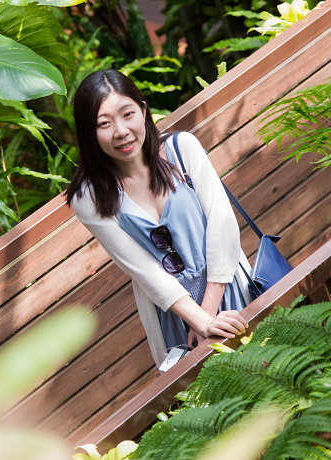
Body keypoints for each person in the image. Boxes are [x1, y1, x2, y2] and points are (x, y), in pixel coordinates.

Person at [66, 70, 254, 369]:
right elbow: (144, 271)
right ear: (90, 133)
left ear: (143, 111)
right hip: (173, 316)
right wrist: (201, 322)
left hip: (227, 284)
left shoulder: (182, 149)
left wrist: (207, 317)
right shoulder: (89, 198)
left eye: (127, 114)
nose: (121, 131)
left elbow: (222, 221)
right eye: (104, 123)